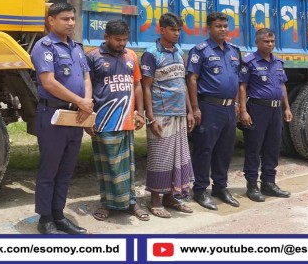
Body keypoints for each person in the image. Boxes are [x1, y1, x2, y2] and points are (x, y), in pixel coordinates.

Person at [30, 2, 93, 235]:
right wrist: (80, 102)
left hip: (75, 116)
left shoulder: (76, 47)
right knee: (50, 168)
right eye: (65, 19)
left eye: (72, 19)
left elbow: (86, 77)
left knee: (66, 169)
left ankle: (59, 215)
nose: (71, 23)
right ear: (51, 20)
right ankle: (45, 219)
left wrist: (86, 101)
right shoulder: (44, 47)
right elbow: (49, 82)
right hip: (54, 115)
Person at [85, 20, 149, 222]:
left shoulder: (131, 56)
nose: (122, 43)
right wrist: (88, 119)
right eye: (117, 40)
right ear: (106, 37)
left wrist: (140, 112)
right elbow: (86, 87)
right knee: (107, 166)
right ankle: (107, 204)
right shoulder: (93, 57)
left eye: (124, 40)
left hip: (127, 120)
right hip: (103, 121)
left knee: (127, 166)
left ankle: (131, 203)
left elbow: (136, 85)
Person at [140, 13, 195, 218]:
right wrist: (151, 118)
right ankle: (155, 201)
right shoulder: (151, 54)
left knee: (178, 159)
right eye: (173, 30)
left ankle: (172, 197)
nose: (177, 34)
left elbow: (183, 84)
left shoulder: (180, 52)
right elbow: (146, 88)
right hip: (161, 115)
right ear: (161, 29)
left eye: (179, 30)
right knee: (160, 159)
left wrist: (189, 111)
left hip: (179, 113)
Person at [186, 12, 242, 210]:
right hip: (209, 107)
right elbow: (192, 79)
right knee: (204, 149)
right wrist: (195, 108)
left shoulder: (234, 50)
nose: (223, 30)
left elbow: (236, 79)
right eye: (219, 26)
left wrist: (236, 103)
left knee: (225, 149)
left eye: (225, 26)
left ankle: (220, 187)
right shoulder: (200, 50)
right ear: (209, 29)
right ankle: (200, 189)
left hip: (229, 108)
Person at [238, 28, 293, 202]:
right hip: (257, 109)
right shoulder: (249, 61)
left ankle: (269, 183)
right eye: (266, 41)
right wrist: (243, 110)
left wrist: (287, 108)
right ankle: (252, 185)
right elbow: (242, 86)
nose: (269, 44)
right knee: (254, 148)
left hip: (275, 110)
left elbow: (282, 86)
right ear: (257, 42)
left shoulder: (278, 62)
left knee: (272, 147)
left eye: (272, 41)